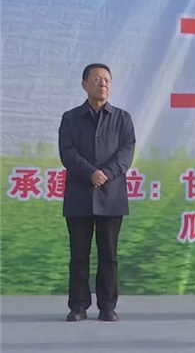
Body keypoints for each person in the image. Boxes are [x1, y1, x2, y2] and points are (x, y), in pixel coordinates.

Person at [58, 63, 136, 322]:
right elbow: (67, 152)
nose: (102, 83)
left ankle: (107, 306)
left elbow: (126, 153)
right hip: (79, 195)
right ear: (84, 84)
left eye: (106, 80)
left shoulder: (122, 118)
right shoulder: (71, 118)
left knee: (109, 255)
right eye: (96, 79)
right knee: (79, 256)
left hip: (111, 196)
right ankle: (78, 306)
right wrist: (90, 172)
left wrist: (106, 173)